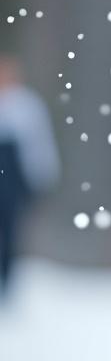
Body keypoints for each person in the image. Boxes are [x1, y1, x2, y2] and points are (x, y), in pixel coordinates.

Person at [0, 53, 61, 302]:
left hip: (12, 182)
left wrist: (43, 176)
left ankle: (6, 284)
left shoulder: (27, 105)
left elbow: (38, 146)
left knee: (10, 233)